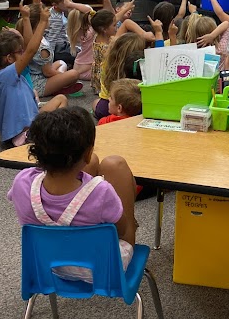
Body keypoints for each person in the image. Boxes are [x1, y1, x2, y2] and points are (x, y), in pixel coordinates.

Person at [8, 105, 137, 278]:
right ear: (88, 152)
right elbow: (120, 231)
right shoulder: (102, 192)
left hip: (50, 266)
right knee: (116, 165)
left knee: (94, 166)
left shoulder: (22, 181)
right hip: (103, 268)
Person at [0, 6, 66, 148]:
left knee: (61, 99)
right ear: (9, 58)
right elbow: (31, 50)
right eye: (20, 52)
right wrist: (43, 22)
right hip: (24, 132)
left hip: (31, 122)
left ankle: (47, 135)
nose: (23, 54)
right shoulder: (7, 75)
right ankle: (32, 138)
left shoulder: (3, 77)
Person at [26, 4, 83, 97]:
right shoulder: (42, 48)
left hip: (37, 74)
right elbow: (47, 72)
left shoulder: (33, 36)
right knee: (74, 74)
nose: (50, 19)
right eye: (48, 18)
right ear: (40, 21)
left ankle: (59, 85)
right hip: (39, 83)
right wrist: (62, 76)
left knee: (61, 63)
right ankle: (58, 88)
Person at [67, 0, 115, 81]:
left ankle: (70, 78)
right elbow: (106, 2)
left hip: (78, 66)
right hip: (88, 69)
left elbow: (78, 11)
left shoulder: (76, 30)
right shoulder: (93, 30)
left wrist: (69, 0)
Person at [95, 33, 146, 121]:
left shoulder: (108, 64)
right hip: (137, 109)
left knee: (96, 103)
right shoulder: (141, 69)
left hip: (108, 105)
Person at [44, 0, 94, 67]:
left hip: (63, 44)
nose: (67, 4)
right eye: (64, 2)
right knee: (82, 54)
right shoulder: (56, 18)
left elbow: (88, 11)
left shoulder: (58, 12)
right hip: (58, 49)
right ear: (55, 5)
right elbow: (51, 40)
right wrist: (49, 61)